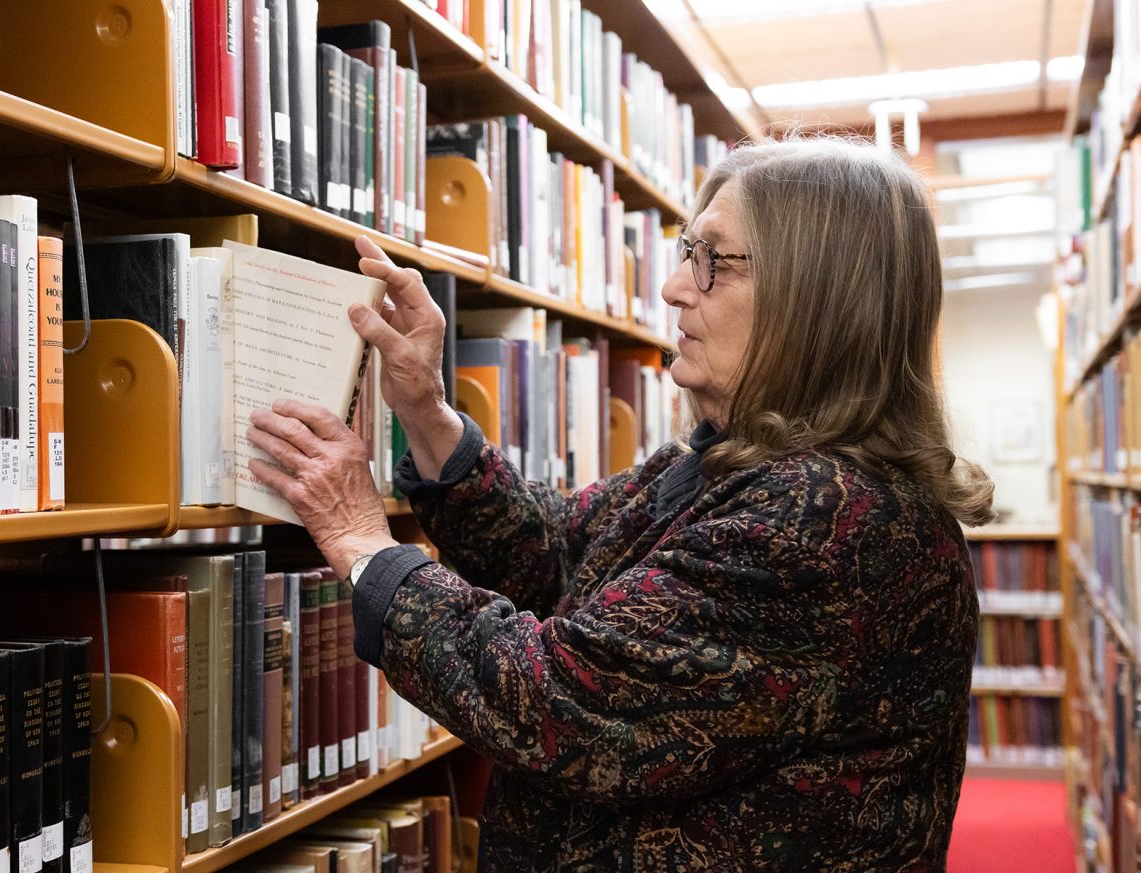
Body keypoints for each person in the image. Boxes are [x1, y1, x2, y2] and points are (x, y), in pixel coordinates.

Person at [246, 136, 994, 871]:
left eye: (713, 263)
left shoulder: (826, 522)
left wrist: (362, 543)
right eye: (684, 252)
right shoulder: (727, 460)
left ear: (818, 301)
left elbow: (560, 701)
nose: (673, 287)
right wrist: (427, 414)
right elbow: (563, 552)